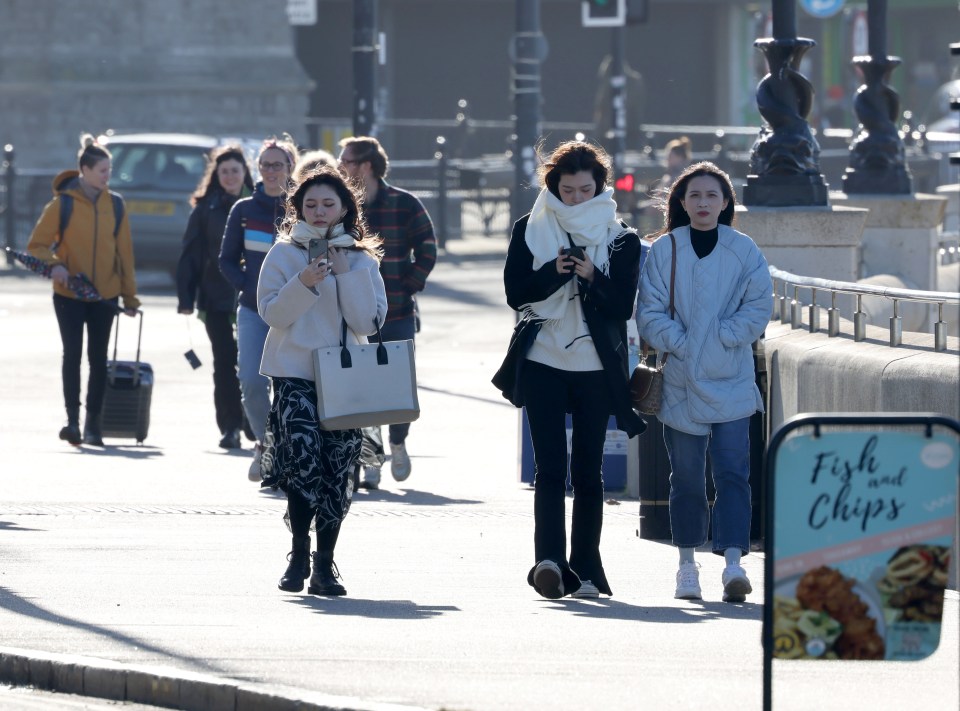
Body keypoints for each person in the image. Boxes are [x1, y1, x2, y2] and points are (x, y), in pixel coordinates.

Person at [503, 140, 646, 600]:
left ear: (600, 187)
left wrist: (589, 275)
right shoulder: (530, 227)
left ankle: (585, 568)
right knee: (549, 468)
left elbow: (622, 305)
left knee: (588, 471)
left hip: (596, 366)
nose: (577, 198)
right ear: (554, 186)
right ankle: (548, 562)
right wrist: (552, 272)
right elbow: (515, 292)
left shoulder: (621, 237)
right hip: (543, 357)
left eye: (586, 189)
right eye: (568, 190)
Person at [636, 161, 772, 603]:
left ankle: (734, 563)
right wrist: (681, 342)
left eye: (712, 195)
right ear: (680, 201)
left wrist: (721, 339)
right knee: (687, 478)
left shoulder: (744, 249)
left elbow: (758, 306)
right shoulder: (665, 250)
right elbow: (649, 311)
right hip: (678, 380)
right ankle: (686, 564)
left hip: (731, 378)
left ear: (727, 202)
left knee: (734, 473)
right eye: (694, 195)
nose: (703, 203)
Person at [257, 166, 386, 596]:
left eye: (328, 204)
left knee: (337, 469)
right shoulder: (282, 254)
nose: (319, 211)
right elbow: (272, 314)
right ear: (298, 208)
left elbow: (368, 321)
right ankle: (297, 553)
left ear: (346, 208)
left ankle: (325, 564)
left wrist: (346, 272)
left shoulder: (362, 258)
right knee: (304, 463)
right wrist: (304, 281)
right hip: (294, 372)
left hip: (345, 377)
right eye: (310, 204)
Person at [27, 133, 140, 447]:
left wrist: (130, 297)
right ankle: (72, 421)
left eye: (109, 170)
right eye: (103, 170)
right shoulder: (62, 204)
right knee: (72, 355)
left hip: (105, 294)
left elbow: (124, 255)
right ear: (85, 170)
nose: (108, 176)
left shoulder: (115, 205)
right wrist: (55, 264)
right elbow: (36, 245)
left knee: (98, 358)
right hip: (69, 294)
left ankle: (94, 424)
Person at [337, 136, 437, 488]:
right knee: (362, 388)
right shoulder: (342, 206)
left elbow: (428, 248)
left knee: (398, 387)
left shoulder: (405, 204)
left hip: (397, 312)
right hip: (352, 314)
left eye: (346, 160)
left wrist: (409, 284)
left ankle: (397, 440)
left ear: (365, 166)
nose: (340, 165)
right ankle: (372, 460)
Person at [219, 136, 299, 480]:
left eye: (276, 165)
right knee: (250, 382)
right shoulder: (243, 210)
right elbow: (226, 260)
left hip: (293, 312)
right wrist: (248, 286)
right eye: (264, 165)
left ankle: (282, 452)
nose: (269, 171)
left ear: (290, 168)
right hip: (252, 310)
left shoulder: (301, 209)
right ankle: (266, 442)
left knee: (287, 386)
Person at [176, 145, 255, 450]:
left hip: (254, 297)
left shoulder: (259, 205)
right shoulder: (205, 209)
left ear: (244, 172)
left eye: (235, 170)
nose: (230, 176)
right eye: (224, 171)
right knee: (224, 363)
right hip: (216, 299)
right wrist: (186, 295)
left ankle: (253, 417)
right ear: (216, 175)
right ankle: (230, 426)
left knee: (253, 364)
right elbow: (190, 253)